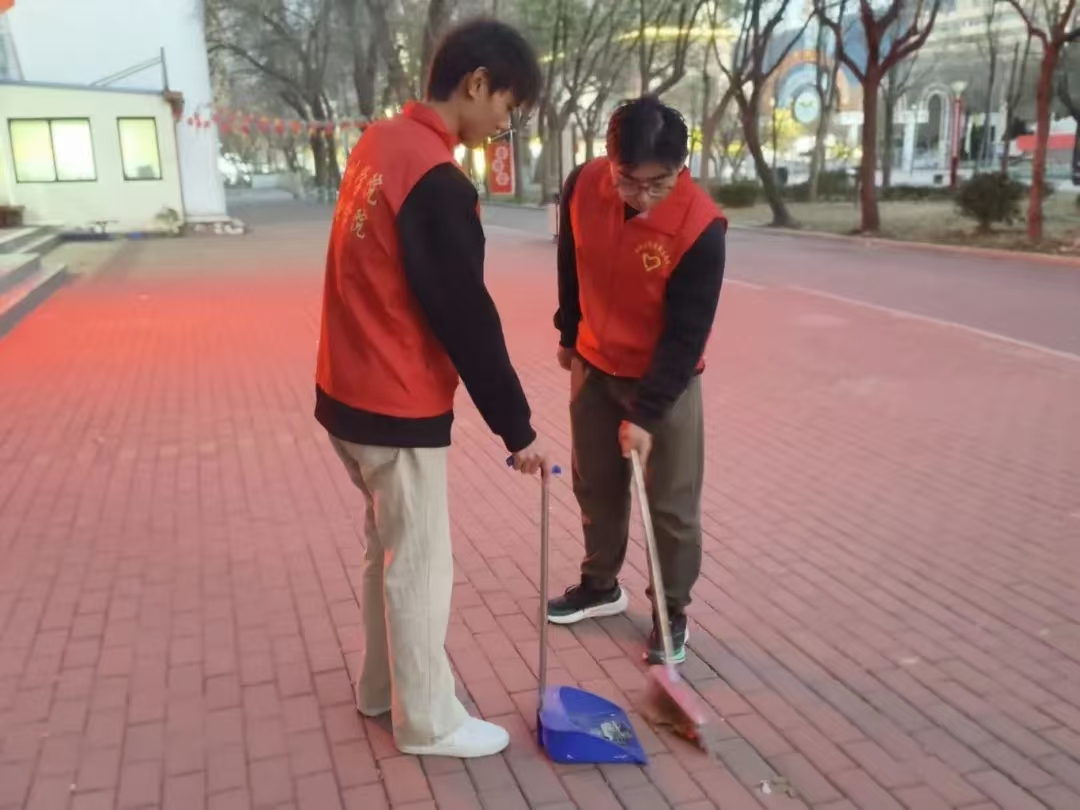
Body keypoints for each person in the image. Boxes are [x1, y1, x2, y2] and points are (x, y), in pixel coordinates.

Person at [315, 18, 548, 758]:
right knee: (418, 564)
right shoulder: (437, 180)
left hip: (346, 391)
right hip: (394, 401)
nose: (504, 123)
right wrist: (518, 429)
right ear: (476, 84)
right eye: (507, 105)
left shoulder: (378, 144)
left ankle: (381, 689)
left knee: (386, 550)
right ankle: (429, 722)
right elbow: (466, 316)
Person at [548, 96, 726, 666]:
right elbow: (570, 261)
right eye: (629, 181)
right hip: (594, 364)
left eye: (658, 183)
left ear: (681, 166)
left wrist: (646, 414)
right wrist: (569, 331)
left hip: (665, 381)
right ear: (609, 160)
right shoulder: (583, 186)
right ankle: (600, 584)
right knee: (595, 484)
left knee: (670, 507)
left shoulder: (701, 227)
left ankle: (671, 612)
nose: (642, 197)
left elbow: (687, 335)